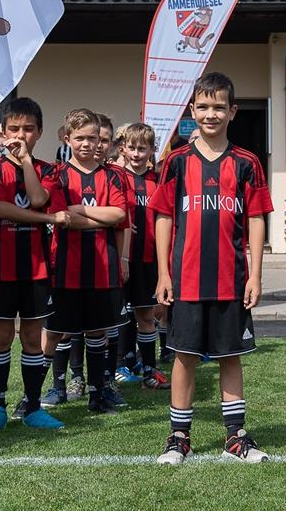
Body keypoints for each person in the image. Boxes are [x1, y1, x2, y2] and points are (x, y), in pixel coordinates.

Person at [150, 72, 273, 465]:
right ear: (192, 110)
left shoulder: (247, 162)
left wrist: (255, 274)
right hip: (185, 279)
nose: (211, 113)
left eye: (219, 106)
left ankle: (235, 437)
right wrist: (163, 273)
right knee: (184, 356)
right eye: (203, 106)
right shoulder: (177, 161)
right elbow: (164, 217)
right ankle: (179, 437)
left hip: (231, 280)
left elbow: (256, 218)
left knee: (229, 355)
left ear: (233, 111)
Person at [0, 97, 66, 433]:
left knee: (32, 337)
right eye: (14, 128)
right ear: (2, 131)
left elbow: (39, 197)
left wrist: (27, 161)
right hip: (1, 266)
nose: (20, 135)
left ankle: (31, 406)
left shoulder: (47, 170)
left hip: (37, 268)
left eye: (28, 129)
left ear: (39, 132)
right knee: (0, 336)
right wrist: (45, 218)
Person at [43, 108, 130, 415]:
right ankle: (48, 389)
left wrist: (81, 209)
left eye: (92, 138)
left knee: (97, 332)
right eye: (79, 138)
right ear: (68, 139)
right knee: (56, 331)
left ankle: (97, 393)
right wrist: (99, 217)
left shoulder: (113, 175)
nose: (86, 144)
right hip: (64, 268)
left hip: (103, 268)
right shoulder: (57, 175)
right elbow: (63, 219)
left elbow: (119, 215)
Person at [113, 122, 172, 389]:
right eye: (132, 148)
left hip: (148, 259)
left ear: (152, 150)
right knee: (115, 317)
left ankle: (150, 370)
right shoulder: (113, 176)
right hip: (118, 259)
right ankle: (113, 370)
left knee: (146, 316)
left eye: (143, 148)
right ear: (122, 148)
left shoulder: (158, 181)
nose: (137, 154)